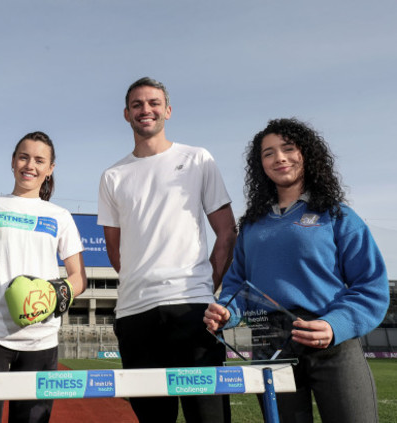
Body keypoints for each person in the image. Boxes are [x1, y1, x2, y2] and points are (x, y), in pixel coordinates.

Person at [204, 118, 389, 423]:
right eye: (268, 153)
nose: (279, 158)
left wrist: (335, 325)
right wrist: (226, 312)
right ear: (259, 164)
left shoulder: (338, 215)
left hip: (332, 342)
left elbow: (371, 286)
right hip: (272, 348)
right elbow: (239, 285)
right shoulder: (251, 225)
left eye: (288, 148)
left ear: (307, 155)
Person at [97, 77, 236, 423]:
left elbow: (226, 232)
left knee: (209, 418)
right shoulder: (112, 176)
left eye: (154, 103)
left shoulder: (197, 159)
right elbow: (115, 253)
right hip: (134, 315)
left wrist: (205, 284)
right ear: (126, 114)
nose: (146, 109)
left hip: (193, 309)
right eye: (138, 104)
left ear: (168, 110)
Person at [0, 131, 87, 423]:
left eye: (39, 160)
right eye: (24, 157)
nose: (30, 165)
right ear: (13, 161)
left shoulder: (60, 216)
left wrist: (53, 295)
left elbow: (78, 278)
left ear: (50, 169)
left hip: (41, 340)